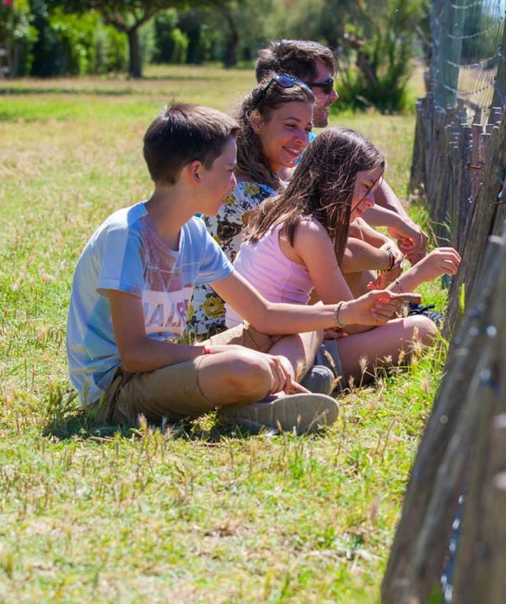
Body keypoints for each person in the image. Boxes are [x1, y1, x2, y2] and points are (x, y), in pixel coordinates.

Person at [66, 103, 416, 434]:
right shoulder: (127, 235)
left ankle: (264, 399)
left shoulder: (193, 233)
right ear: (196, 172)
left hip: (166, 367)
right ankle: (263, 386)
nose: (235, 183)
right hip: (117, 389)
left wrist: (343, 312)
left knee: (307, 320)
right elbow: (136, 355)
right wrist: (219, 352)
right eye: (230, 170)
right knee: (243, 366)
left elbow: (262, 314)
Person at [225, 127, 461, 390]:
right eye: (365, 188)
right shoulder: (309, 231)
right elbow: (357, 322)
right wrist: (419, 274)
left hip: (261, 337)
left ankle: (312, 373)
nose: (371, 201)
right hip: (275, 346)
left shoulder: (286, 210)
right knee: (424, 331)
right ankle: (310, 375)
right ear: (335, 178)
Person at [187, 73, 408, 339]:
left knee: (348, 259)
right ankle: (385, 325)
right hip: (225, 325)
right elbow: (335, 251)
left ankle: (385, 323)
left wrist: (386, 239)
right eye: (291, 126)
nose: (303, 139)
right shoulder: (243, 190)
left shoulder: (279, 176)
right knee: (346, 266)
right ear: (256, 121)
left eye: (307, 128)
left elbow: (345, 223)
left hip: (265, 314)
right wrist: (388, 257)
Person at [255, 39, 428, 264]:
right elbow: (332, 212)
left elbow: (362, 176)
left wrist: (403, 222)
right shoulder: (266, 156)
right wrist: (388, 254)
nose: (334, 95)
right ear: (295, 88)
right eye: (326, 86)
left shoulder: (306, 141)